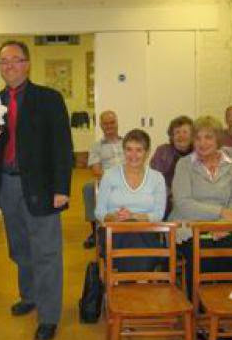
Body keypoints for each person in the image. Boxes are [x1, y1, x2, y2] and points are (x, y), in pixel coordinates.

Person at [0, 40, 73, 340]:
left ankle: (48, 316)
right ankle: (30, 295)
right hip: (7, 184)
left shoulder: (49, 98)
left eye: (15, 60)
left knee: (46, 252)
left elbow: (62, 146)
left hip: (42, 187)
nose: (9, 67)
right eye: (3, 62)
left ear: (27, 63)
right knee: (19, 248)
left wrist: (61, 188)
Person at [169, 116, 232, 299]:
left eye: (208, 137)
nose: (202, 143)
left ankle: (229, 305)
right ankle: (200, 309)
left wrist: (222, 224)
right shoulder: (184, 165)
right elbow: (183, 202)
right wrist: (219, 212)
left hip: (225, 227)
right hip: (190, 226)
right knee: (201, 250)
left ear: (218, 139)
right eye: (197, 138)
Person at [95, 129, 166, 271]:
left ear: (147, 152)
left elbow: (158, 215)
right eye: (129, 149)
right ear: (123, 151)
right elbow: (99, 212)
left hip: (146, 232)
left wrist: (133, 217)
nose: (133, 155)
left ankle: (127, 283)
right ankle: (141, 281)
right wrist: (114, 217)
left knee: (136, 235)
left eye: (139, 150)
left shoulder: (157, 178)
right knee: (131, 237)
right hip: (115, 232)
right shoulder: (109, 175)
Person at [82, 110, 124, 249]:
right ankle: (96, 231)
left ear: (117, 123)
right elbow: (96, 170)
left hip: (130, 179)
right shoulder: (96, 146)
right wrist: (112, 179)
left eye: (112, 122)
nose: (109, 126)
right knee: (89, 188)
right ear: (101, 126)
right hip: (107, 180)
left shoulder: (127, 142)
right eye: (106, 124)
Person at [150, 115, 193, 219]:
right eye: (177, 132)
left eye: (185, 132)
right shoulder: (163, 151)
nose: (181, 136)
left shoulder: (199, 152)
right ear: (171, 137)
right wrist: (172, 195)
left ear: (192, 135)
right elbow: (156, 178)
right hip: (168, 198)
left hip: (192, 198)